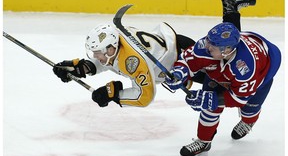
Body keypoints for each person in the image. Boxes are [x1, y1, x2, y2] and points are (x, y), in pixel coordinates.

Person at [165, 0, 281, 156]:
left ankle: (248, 122)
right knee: (209, 107)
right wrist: (180, 72)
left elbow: (239, 98)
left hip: (264, 71)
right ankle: (204, 142)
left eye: (213, 46)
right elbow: (188, 59)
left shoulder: (246, 69)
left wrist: (209, 98)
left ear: (227, 50)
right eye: (209, 41)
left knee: (250, 108)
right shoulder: (210, 46)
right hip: (224, 66)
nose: (207, 46)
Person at [53, 20, 195, 107]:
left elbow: (144, 97)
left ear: (110, 48)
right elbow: (108, 60)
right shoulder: (114, 42)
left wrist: (114, 94)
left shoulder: (132, 61)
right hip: (174, 52)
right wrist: (83, 68)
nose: (96, 56)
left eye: (98, 52)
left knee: (215, 86)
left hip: (184, 57)